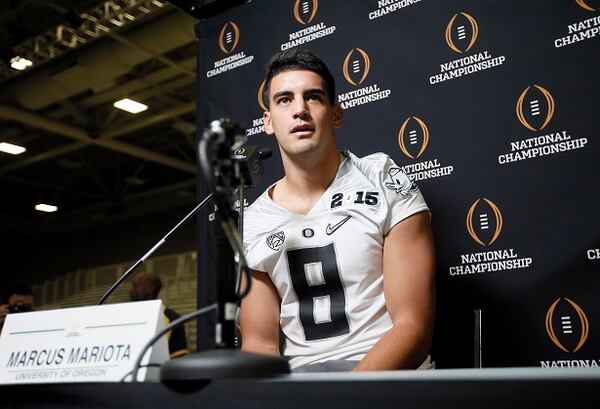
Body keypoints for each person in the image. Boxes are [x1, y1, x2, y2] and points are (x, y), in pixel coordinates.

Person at [239, 49, 435, 372]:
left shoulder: (381, 178)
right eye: (284, 100)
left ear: (335, 114)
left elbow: (413, 326)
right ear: (268, 122)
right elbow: (259, 344)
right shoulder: (254, 222)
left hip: (388, 378)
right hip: (300, 387)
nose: (299, 110)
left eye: (313, 97)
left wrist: (341, 398)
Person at [130, 272, 189, 358]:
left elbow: (178, 358)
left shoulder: (173, 319)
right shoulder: (126, 316)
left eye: (136, 286)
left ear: (151, 288)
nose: (131, 291)